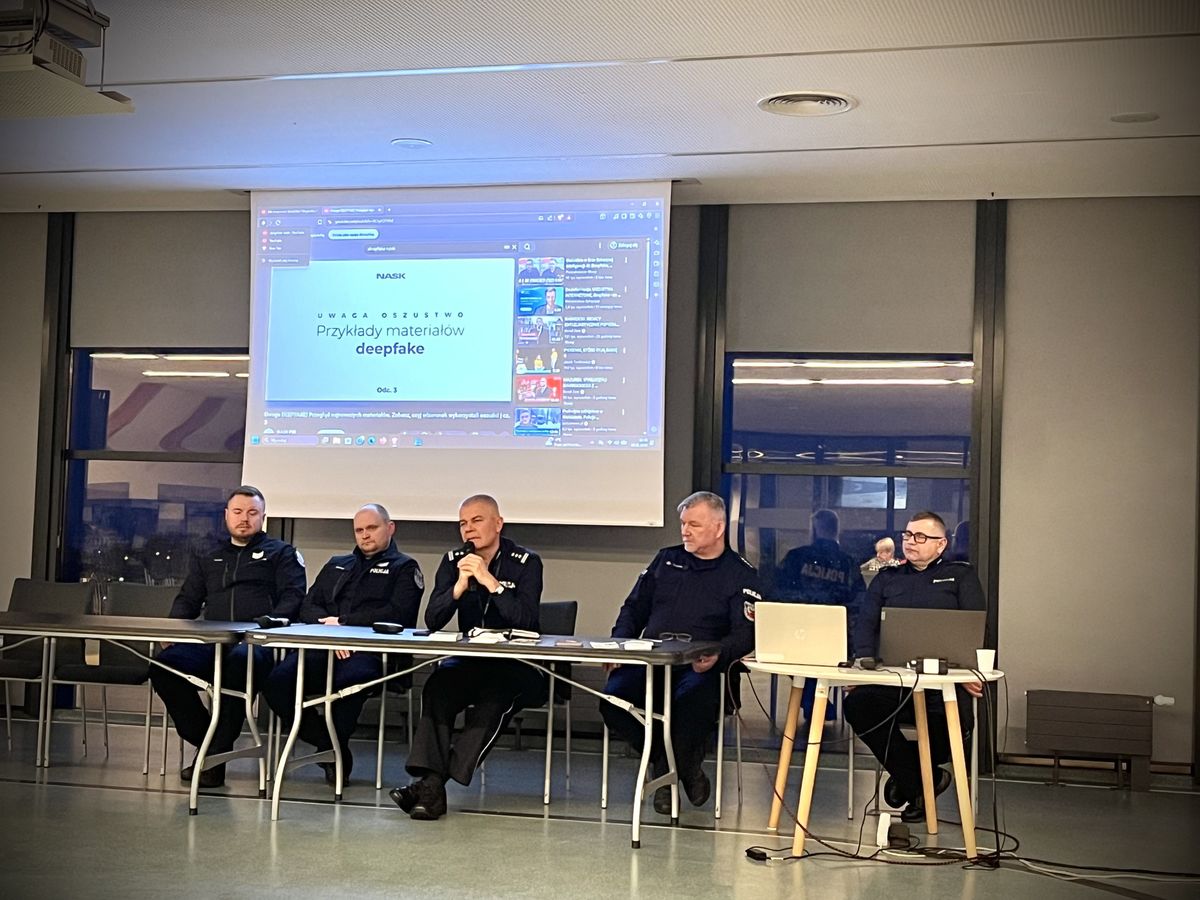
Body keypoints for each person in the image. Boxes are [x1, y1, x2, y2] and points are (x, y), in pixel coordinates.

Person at [599, 491, 762, 815]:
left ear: (718, 528)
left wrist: (719, 654)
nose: (685, 531)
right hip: (653, 661)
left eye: (694, 525)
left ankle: (665, 777)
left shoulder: (740, 573)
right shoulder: (666, 560)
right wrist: (620, 645)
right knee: (613, 701)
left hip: (703, 667)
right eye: (683, 524)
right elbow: (633, 609)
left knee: (690, 704)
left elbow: (746, 633)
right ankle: (682, 767)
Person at [389, 494, 544, 820]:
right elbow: (433, 619)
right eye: (462, 523)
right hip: (471, 661)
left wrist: (491, 583)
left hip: (516, 665)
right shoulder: (453, 561)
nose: (468, 529)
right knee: (437, 688)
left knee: (494, 701)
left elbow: (528, 621)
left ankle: (429, 786)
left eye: (476, 521)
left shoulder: (526, 562)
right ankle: (432, 787)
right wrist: (458, 586)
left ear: (498, 524)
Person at [149, 485, 306, 787]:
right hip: (212, 641)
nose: (244, 518)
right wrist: (173, 629)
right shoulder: (210, 556)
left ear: (263, 517)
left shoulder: (282, 554)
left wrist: (268, 626)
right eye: (238, 512)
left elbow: (294, 597)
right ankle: (210, 743)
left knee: (238, 664)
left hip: (259, 644)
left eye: (252, 513)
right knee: (163, 667)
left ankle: (212, 758)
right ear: (226, 516)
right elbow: (188, 599)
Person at [262, 504, 423, 785]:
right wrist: (331, 631)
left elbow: (399, 613)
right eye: (359, 530)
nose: (365, 535)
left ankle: (332, 754)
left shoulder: (405, 568)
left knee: (349, 683)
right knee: (276, 683)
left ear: (390, 528)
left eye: (372, 528)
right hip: (324, 647)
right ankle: (331, 747)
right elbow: (308, 606)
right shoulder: (337, 563)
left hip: (370, 653)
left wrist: (345, 624)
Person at [843, 511, 986, 825]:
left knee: (950, 726)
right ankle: (923, 783)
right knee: (858, 705)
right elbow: (866, 626)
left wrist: (969, 669)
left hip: (944, 682)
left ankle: (909, 780)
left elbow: (974, 627)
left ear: (941, 544)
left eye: (920, 537)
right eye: (907, 535)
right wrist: (862, 665)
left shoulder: (960, 576)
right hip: (893, 680)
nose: (910, 542)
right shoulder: (887, 578)